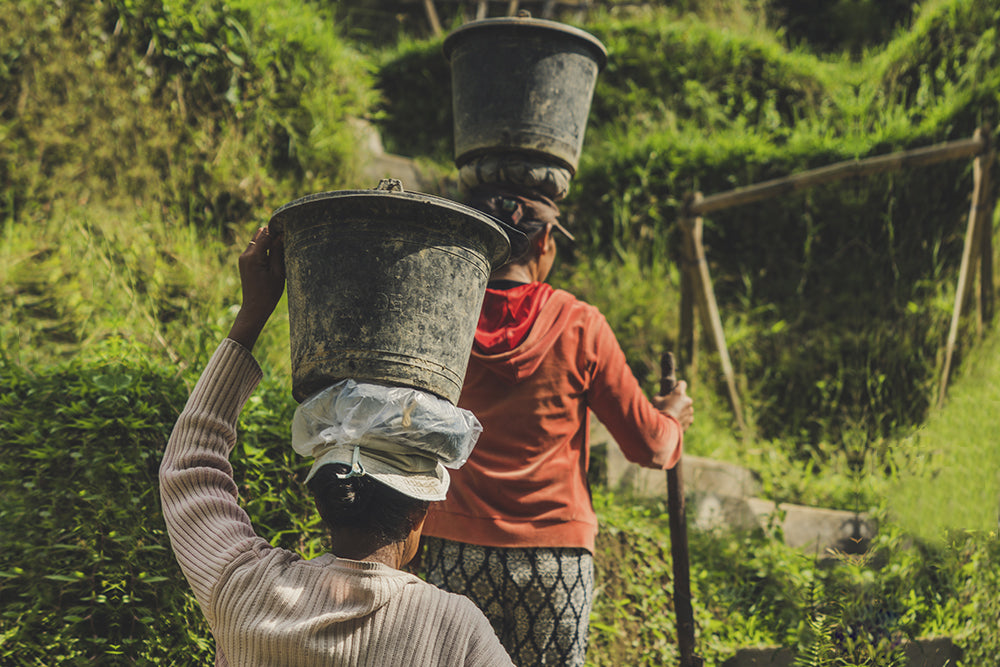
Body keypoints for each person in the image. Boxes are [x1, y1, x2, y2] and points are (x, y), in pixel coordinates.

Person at [160, 226, 515, 666]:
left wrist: (252, 312)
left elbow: (188, 470)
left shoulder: (246, 589)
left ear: (327, 500)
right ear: (417, 512)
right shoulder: (453, 629)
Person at [421, 184, 695, 667]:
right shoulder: (579, 323)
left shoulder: (445, 314)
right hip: (554, 558)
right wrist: (671, 417)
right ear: (545, 240)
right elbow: (650, 445)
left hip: (456, 548)